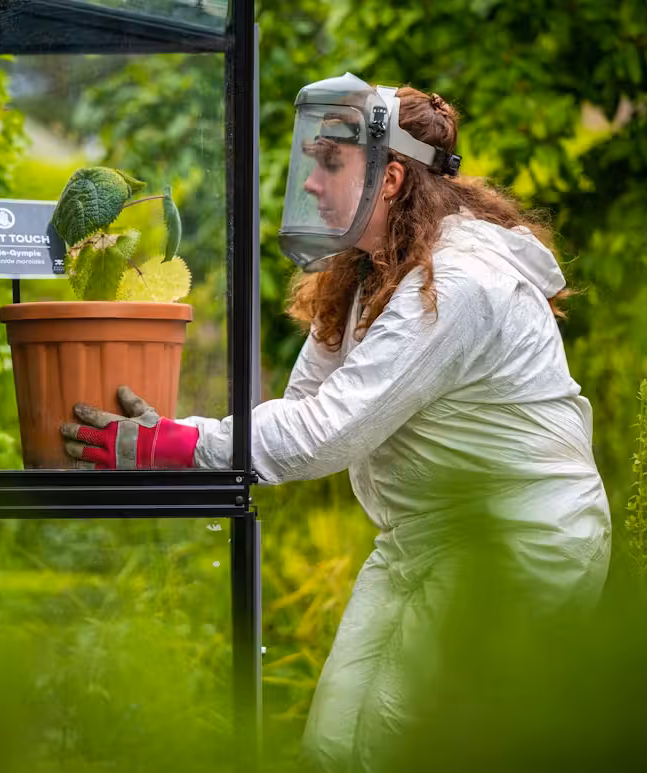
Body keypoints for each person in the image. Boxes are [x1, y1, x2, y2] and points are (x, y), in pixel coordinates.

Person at [60, 74, 611, 772]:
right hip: (421, 535)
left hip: (521, 541)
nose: (311, 184)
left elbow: (327, 432)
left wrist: (173, 442)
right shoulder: (366, 273)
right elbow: (301, 411)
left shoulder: (462, 284)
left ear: (390, 178)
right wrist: (180, 437)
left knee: (400, 742)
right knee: (331, 742)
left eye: (330, 163)